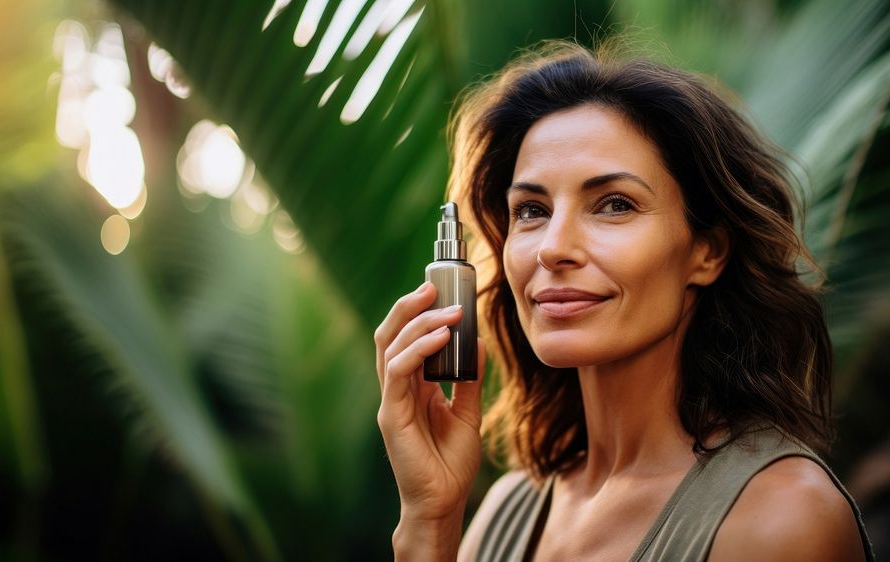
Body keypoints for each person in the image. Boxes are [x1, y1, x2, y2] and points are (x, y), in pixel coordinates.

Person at [373, 41, 875, 561]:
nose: (553, 248)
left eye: (614, 205)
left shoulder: (782, 519)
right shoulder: (507, 509)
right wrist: (429, 520)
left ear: (708, 251)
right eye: (530, 210)